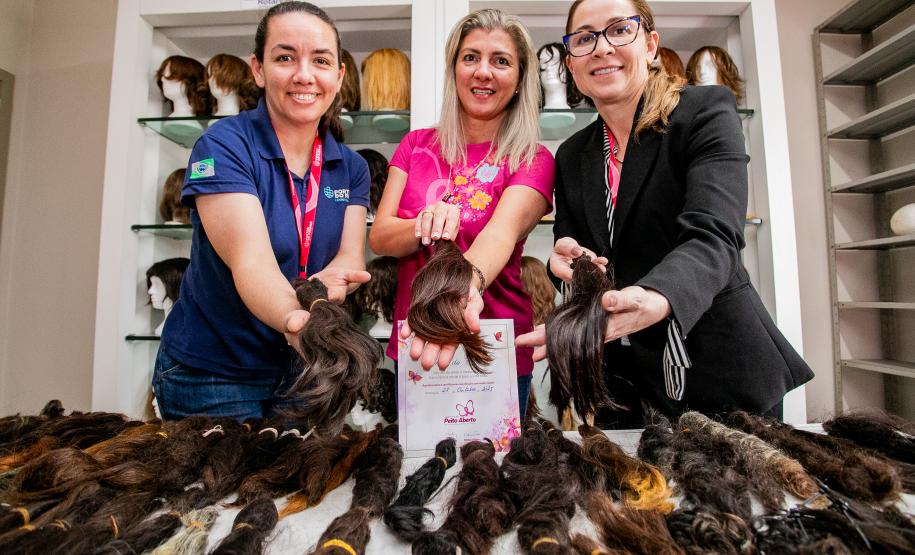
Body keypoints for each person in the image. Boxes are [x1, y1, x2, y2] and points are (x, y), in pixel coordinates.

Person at [517, 0, 812, 424]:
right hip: (622, 384)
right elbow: (574, 244)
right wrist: (561, 260)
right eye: (584, 38)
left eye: (619, 30)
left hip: (719, 366)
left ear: (651, 44)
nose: (601, 48)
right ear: (572, 63)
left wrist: (658, 296)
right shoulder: (572, 154)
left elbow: (714, 235)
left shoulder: (704, 112)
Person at [153, 1, 371, 420]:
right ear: (258, 69)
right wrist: (298, 321)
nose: (304, 75)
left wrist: (326, 290)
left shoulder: (351, 168)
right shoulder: (223, 147)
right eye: (285, 57)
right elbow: (251, 262)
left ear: (339, 76)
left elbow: (348, 256)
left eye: (321, 61)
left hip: (305, 369)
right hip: (215, 372)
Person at [368, 8, 555, 417]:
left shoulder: (531, 158)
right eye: (470, 57)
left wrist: (457, 288)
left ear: (521, 77)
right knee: (419, 468)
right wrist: (424, 223)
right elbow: (380, 236)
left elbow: (500, 235)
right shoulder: (416, 144)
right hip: (418, 337)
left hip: (493, 341)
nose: (483, 72)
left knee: (494, 472)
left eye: (500, 61)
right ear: (454, 69)